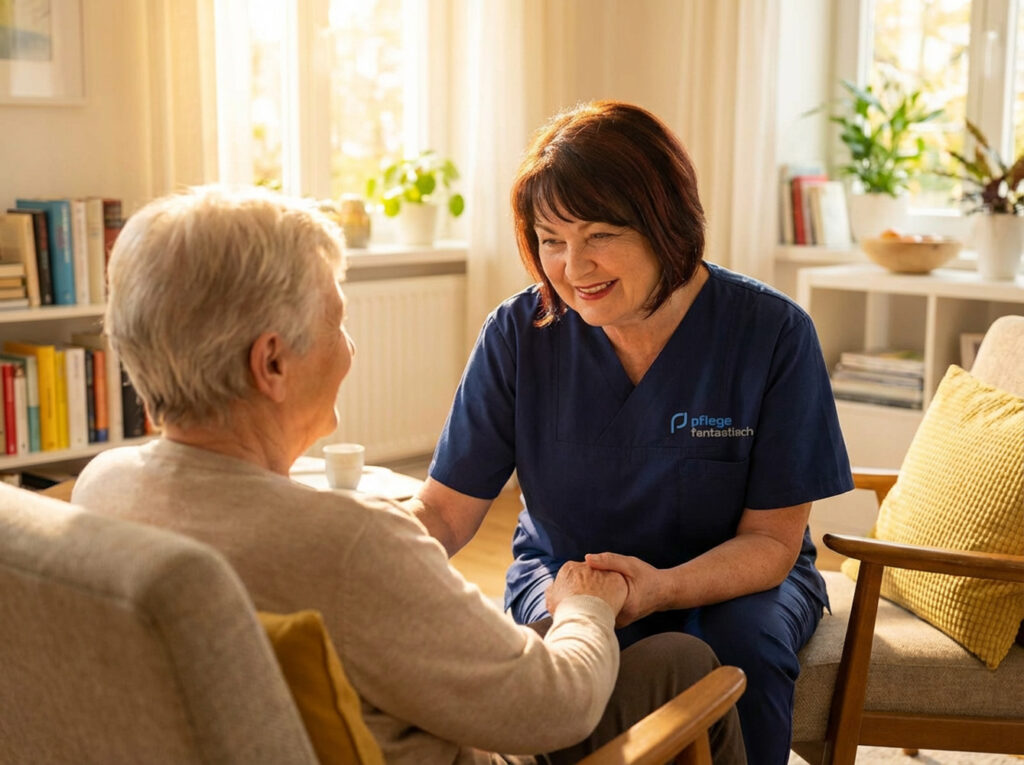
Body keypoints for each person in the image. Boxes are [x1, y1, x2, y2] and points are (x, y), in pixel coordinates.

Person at [71, 186, 745, 765]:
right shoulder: (350, 544)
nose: (349, 346)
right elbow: (559, 706)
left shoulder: (103, 487)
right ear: (271, 363)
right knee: (689, 667)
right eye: (336, 320)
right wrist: (586, 605)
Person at [409, 101, 854, 765]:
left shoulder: (772, 334)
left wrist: (658, 588)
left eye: (600, 235)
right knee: (557, 665)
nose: (573, 267)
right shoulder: (518, 335)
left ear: (665, 222)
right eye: (551, 240)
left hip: (737, 577)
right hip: (567, 570)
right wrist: (364, 562)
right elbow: (446, 511)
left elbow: (770, 541)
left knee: (743, 654)